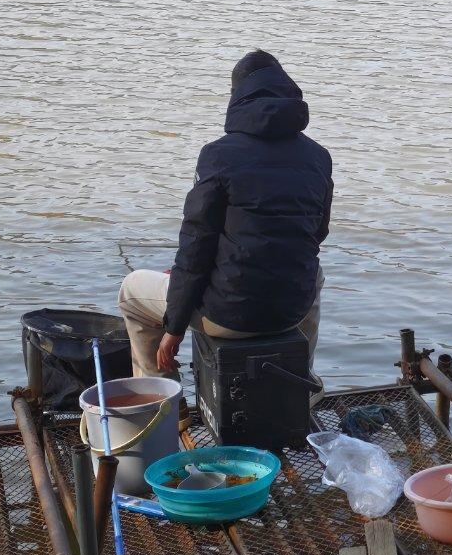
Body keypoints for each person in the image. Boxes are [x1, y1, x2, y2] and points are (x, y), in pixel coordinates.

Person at [118, 51, 333, 381]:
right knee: (313, 272)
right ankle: (304, 382)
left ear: (238, 98)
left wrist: (174, 329)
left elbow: (196, 248)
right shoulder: (319, 157)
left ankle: (164, 405)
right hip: (291, 313)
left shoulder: (218, 155)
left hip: (229, 316)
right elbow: (315, 234)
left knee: (131, 291)